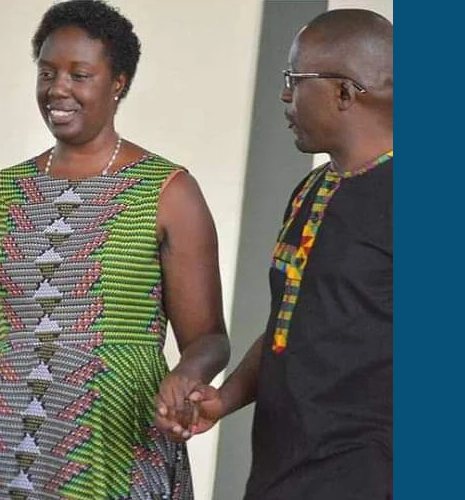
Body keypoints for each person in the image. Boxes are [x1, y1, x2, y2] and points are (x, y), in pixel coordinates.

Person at [0, 1, 230, 499]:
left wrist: (186, 375)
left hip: (112, 444)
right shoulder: (3, 193)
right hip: (6, 446)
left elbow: (210, 337)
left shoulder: (168, 191)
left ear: (118, 83)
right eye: (47, 72)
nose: (57, 88)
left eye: (80, 74)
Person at [156, 8, 393, 500]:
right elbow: (293, 323)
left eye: (294, 79)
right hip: (280, 471)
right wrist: (224, 400)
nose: (284, 96)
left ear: (344, 93)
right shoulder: (310, 190)